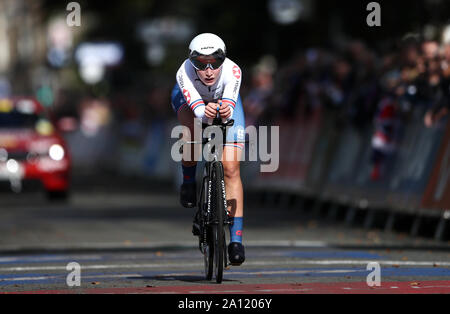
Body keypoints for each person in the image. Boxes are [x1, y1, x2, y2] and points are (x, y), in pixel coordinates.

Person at [171, 33, 246, 266]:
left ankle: (236, 239)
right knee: (191, 131)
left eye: (215, 62)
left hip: (224, 101)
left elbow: (229, 106)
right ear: (192, 62)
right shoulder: (183, 72)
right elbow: (200, 113)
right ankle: (189, 181)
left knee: (231, 168)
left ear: (224, 60)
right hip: (190, 102)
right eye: (201, 64)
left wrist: (223, 110)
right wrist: (207, 112)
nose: (209, 70)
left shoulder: (234, 71)